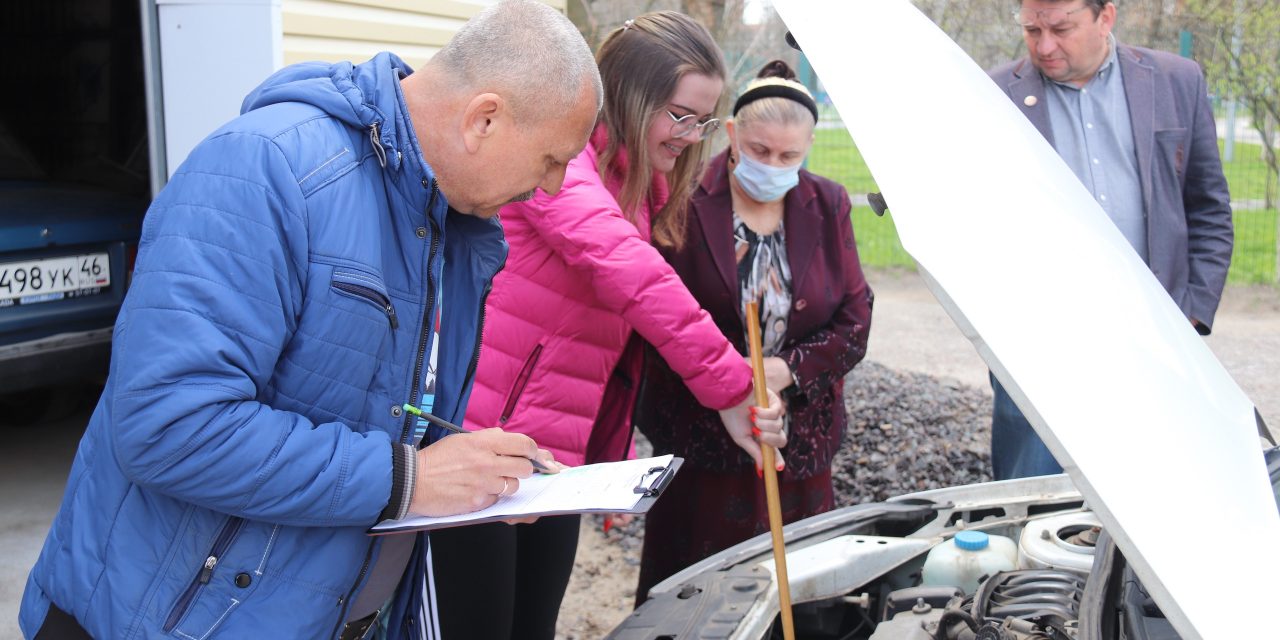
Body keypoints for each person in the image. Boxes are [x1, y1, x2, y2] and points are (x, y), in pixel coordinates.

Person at [19, 1, 603, 638]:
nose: (553, 186)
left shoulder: (451, 223)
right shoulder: (266, 170)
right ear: (483, 119)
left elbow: (360, 410)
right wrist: (414, 478)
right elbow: (168, 423)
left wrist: (470, 469)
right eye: (552, 159)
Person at [426, 12, 787, 640]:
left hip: (549, 454)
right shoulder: (560, 168)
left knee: (531, 625)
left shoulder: (637, 185)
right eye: (679, 114)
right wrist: (733, 385)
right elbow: (631, 274)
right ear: (626, 94)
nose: (692, 134)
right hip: (479, 438)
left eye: (703, 119)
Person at [634, 60, 874, 605]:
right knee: (700, 599)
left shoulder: (828, 202)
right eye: (761, 151)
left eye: (790, 156)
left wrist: (784, 370)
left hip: (799, 445)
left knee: (801, 599)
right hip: (701, 446)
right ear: (733, 135)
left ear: (810, 146)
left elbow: (855, 320)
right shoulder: (681, 196)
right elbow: (652, 315)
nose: (774, 166)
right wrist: (728, 380)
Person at [986, 0, 1233, 479]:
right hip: (1037, 343)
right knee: (1032, 495)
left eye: (1061, 28)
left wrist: (1193, 313)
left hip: (1157, 333)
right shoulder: (995, 94)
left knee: (1153, 483)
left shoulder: (1176, 81)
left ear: (1106, 17)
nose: (1045, 45)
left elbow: (1208, 208)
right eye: (1032, 29)